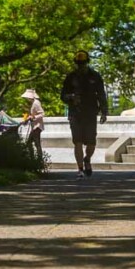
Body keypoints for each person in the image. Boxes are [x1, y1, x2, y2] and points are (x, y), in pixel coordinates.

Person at [60, 50, 108, 178]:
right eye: (79, 64)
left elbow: (101, 94)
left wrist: (104, 112)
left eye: (83, 63)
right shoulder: (71, 77)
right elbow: (63, 95)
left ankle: (87, 159)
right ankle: (80, 169)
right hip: (75, 114)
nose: (81, 66)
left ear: (87, 62)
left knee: (91, 143)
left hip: (91, 113)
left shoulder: (95, 76)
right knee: (78, 142)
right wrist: (71, 97)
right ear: (76, 63)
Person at [20, 88, 45, 159]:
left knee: (35, 143)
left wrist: (34, 117)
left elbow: (42, 114)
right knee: (32, 143)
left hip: (37, 127)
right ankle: (34, 158)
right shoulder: (33, 103)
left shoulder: (36, 103)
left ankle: (37, 159)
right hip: (35, 126)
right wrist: (28, 118)